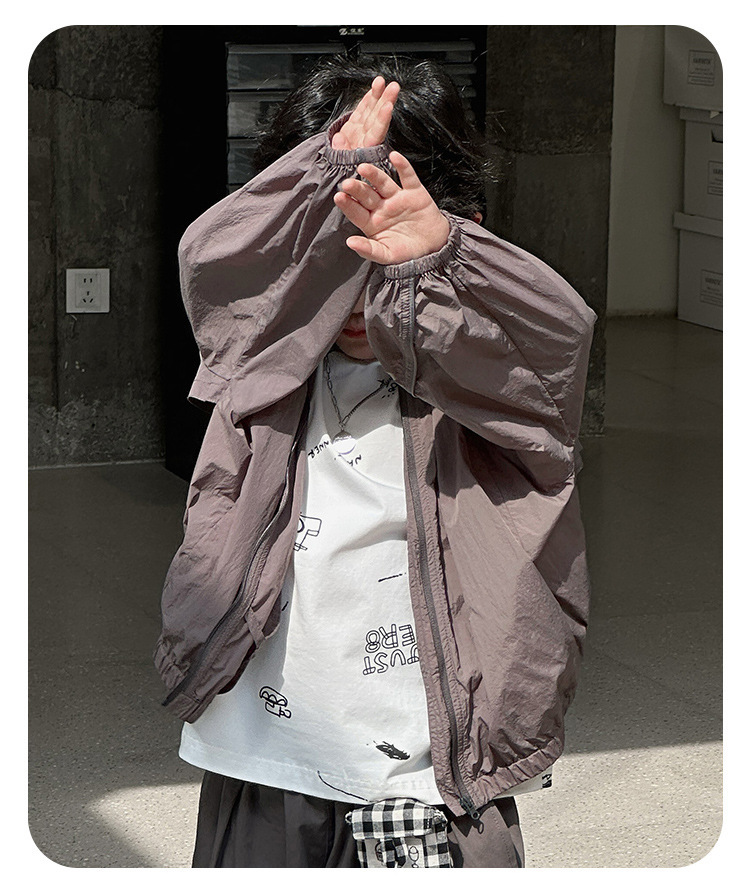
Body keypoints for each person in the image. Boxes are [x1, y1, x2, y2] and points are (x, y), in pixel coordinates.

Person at [154, 55, 597, 869]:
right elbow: (211, 263)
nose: (359, 288)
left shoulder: (488, 377)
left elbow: (555, 339)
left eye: (379, 247)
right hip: (266, 756)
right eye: (335, 246)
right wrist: (320, 178)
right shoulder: (261, 360)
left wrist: (440, 262)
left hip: (438, 778)